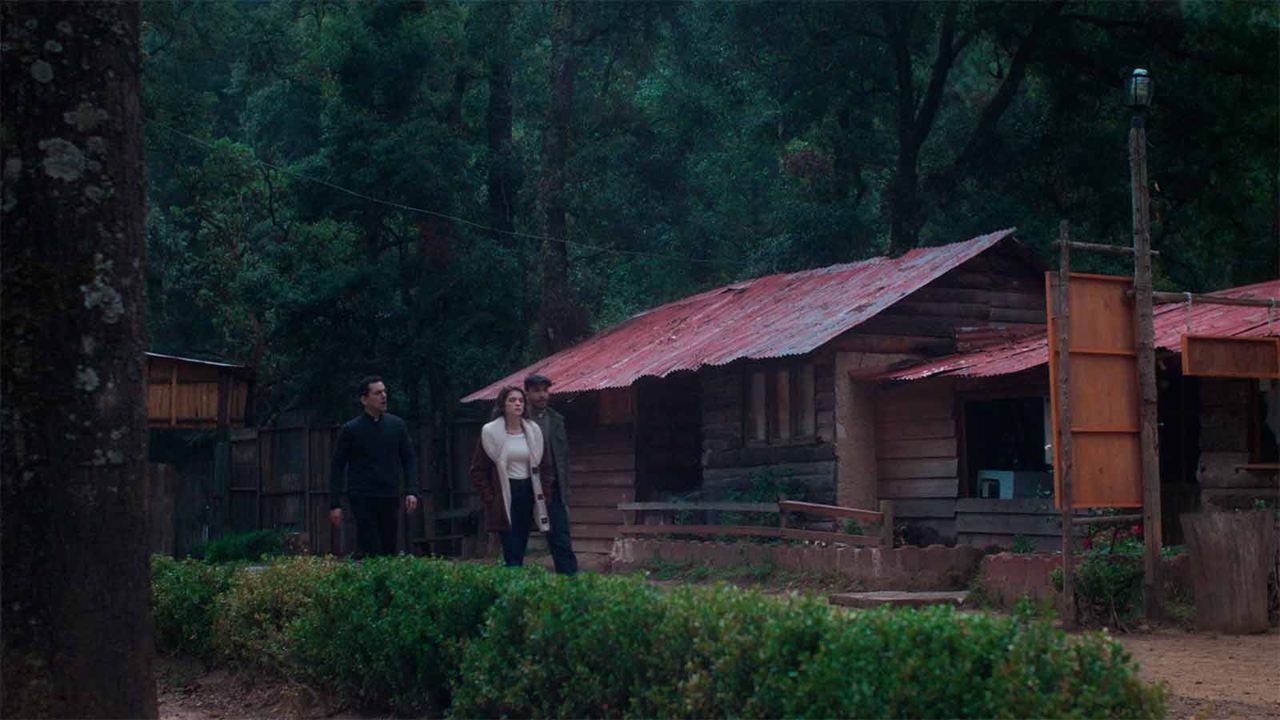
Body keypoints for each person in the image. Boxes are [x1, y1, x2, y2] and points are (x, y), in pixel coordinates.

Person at [470, 385, 567, 571]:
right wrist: (490, 498)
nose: (517, 404)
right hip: (504, 493)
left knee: (522, 542)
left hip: (529, 490)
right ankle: (512, 586)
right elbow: (477, 471)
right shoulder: (490, 432)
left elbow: (546, 467)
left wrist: (544, 494)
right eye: (512, 400)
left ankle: (518, 584)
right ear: (503, 404)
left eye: (521, 401)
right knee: (510, 545)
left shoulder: (533, 431)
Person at [329, 375, 420, 557]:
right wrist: (335, 503)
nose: (383, 396)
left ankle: (383, 582)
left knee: (389, 546)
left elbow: (408, 458)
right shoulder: (351, 429)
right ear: (364, 399)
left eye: (384, 391)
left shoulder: (397, 426)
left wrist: (411, 490)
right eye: (377, 393)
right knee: (371, 544)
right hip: (362, 496)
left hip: (389, 494)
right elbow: (337, 466)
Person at [523, 374, 578, 574]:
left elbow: (563, 458)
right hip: (523, 485)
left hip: (552, 488)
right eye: (536, 391)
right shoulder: (518, 419)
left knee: (561, 539)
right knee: (516, 539)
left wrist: (565, 492)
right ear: (527, 393)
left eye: (545, 390)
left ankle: (570, 587)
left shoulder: (555, 420)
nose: (542, 395)